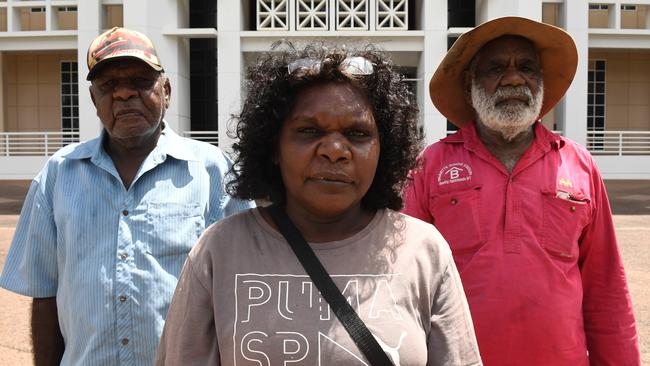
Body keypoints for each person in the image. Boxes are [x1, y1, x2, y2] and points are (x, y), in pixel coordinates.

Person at [155, 43, 482, 365]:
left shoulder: (423, 250)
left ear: (385, 149)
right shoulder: (219, 250)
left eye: (357, 133)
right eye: (309, 131)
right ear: (274, 147)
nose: (335, 150)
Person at [0, 27, 253, 365]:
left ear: (166, 91)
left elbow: (243, 287)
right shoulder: (57, 176)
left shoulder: (212, 171)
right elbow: (45, 296)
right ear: (94, 100)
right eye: (109, 86)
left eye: (138, 82)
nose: (123, 95)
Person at [402, 16, 640, 366]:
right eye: (496, 67)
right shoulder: (431, 165)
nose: (514, 78)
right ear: (470, 83)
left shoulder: (580, 166)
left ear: (540, 82)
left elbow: (607, 292)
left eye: (527, 68)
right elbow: (404, 281)